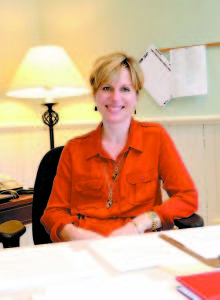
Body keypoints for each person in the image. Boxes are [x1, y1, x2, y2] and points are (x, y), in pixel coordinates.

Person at [41, 52, 198, 242]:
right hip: (85, 247)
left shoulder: (155, 138)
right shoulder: (74, 149)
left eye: (125, 89)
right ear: (95, 96)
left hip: (138, 244)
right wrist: (76, 234)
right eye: (106, 88)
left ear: (136, 96)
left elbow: (186, 197)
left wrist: (144, 222)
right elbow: (53, 212)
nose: (115, 98)